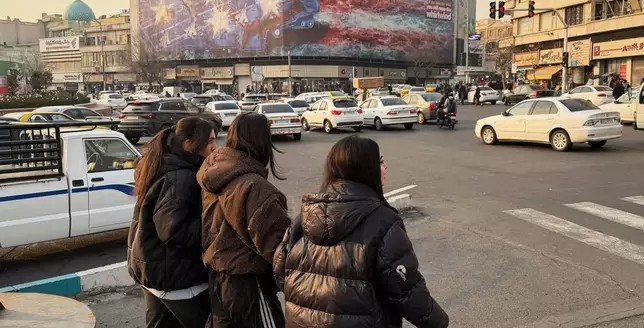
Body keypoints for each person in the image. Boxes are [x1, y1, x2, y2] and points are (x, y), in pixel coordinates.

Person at [274, 136, 449, 328]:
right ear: (365, 169)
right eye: (381, 161)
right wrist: (438, 321)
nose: (386, 166)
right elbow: (407, 291)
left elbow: (281, 273)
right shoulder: (383, 222)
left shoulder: (304, 217)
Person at [199, 112, 291, 328]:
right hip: (248, 283)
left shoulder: (216, 172)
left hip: (218, 277)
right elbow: (280, 250)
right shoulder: (255, 188)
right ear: (262, 141)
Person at [127, 117, 217, 328]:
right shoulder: (182, 177)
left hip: (155, 274)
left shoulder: (164, 164)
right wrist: (213, 225)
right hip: (178, 281)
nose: (215, 147)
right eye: (210, 141)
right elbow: (173, 230)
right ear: (189, 144)